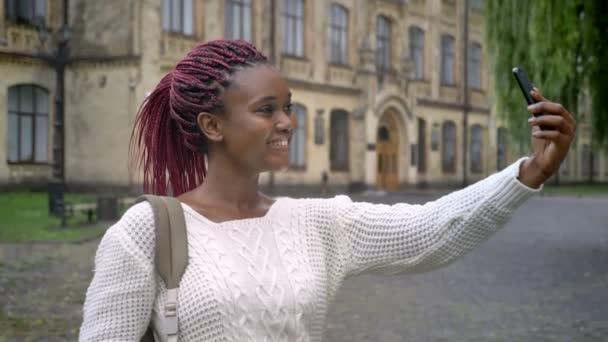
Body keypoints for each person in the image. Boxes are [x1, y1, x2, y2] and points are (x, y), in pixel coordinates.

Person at [79, 39, 576, 341]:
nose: (288, 122)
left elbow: (431, 230)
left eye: (288, 106)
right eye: (266, 109)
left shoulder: (315, 222)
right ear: (212, 125)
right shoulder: (145, 233)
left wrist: (530, 171)